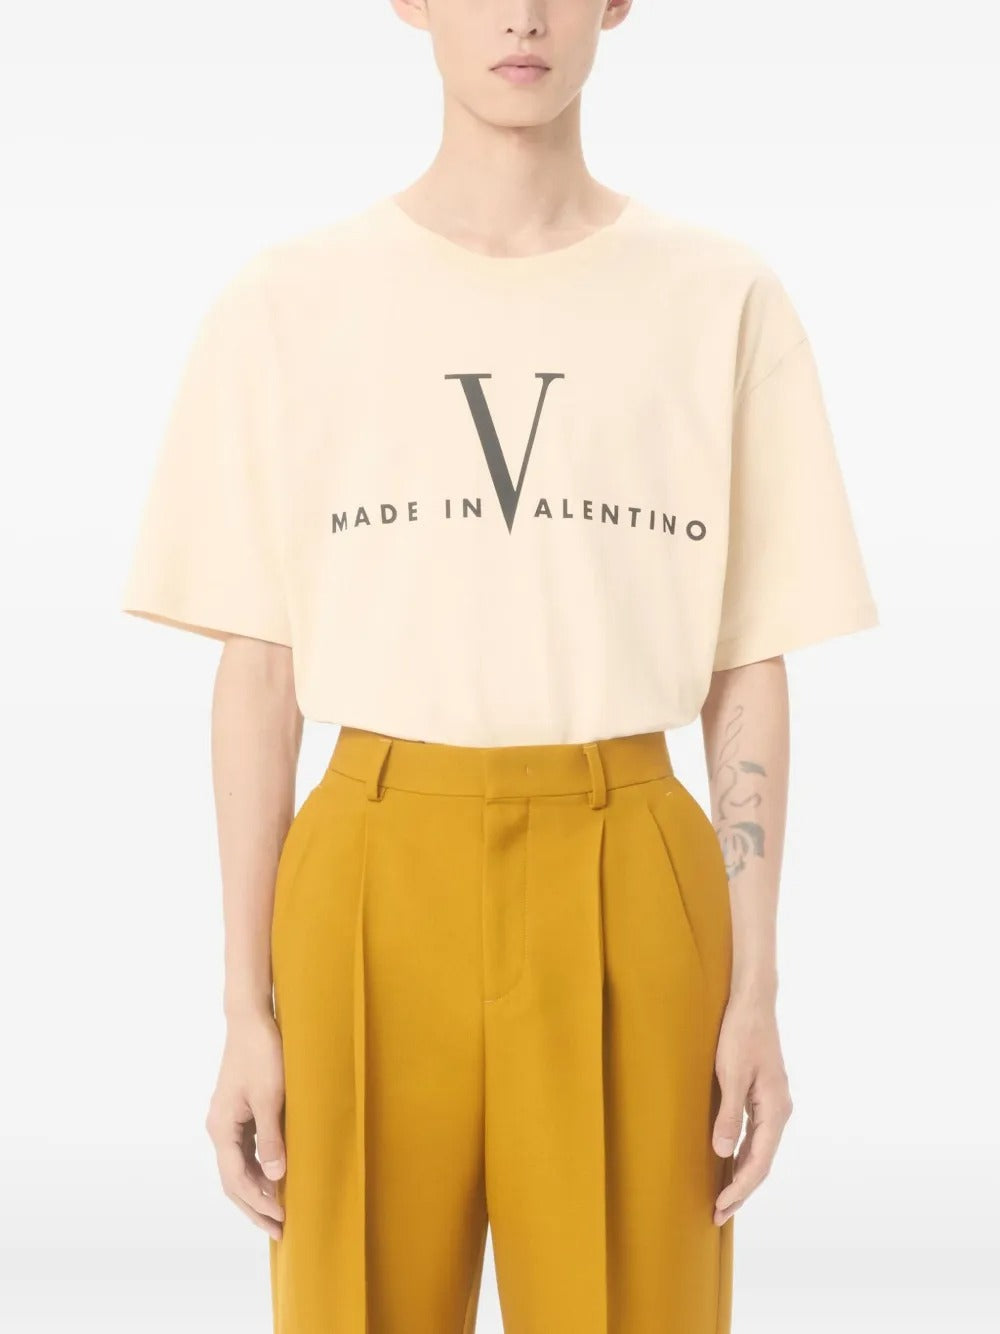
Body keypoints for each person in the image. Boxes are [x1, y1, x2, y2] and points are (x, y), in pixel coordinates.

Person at [120, 2, 879, 1330]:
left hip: (630, 861)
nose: (522, 14)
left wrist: (756, 990)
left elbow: (746, 665)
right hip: (368, 866)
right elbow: (260, 671)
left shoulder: (720, 299)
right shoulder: (289, 303)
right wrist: (245, 1007)